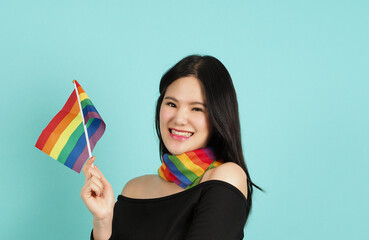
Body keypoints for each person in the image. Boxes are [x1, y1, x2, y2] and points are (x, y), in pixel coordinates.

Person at [81, 55, 260, 240]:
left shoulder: (226, 176)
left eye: (197, 108)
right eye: (172, 104)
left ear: (218, 117)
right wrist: (102, 221)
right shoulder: (133, 189)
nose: (179, 119)